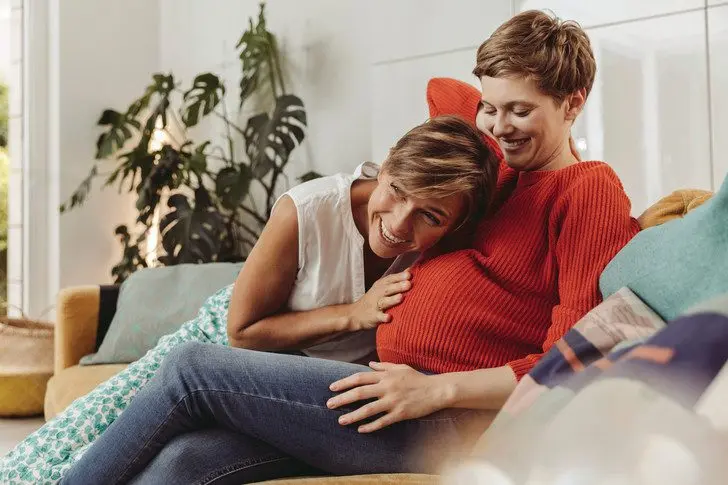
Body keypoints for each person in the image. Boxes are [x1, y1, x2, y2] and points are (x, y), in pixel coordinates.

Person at [57, 9, 642, 485]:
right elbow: (444, 96)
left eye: (522, 111)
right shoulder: (495, 172)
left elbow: (574, 361)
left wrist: (436, 388)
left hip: (441, 417)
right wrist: (491, 100)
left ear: (574, 102)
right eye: (490, 107)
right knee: (186, 463)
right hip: (388, 393)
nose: (499, 126)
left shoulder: (585, 191)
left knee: (191, 372)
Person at [0, 115, 499, 485]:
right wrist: (353, 313)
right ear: (386, 166)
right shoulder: (307, 211)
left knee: (181, 461)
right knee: (80, 440)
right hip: (240, 344)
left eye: (430, 216)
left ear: (455, 225)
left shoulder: (446, 245)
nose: (399, 223)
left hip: (299, 382)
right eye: (397, 191)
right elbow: (241, 332)